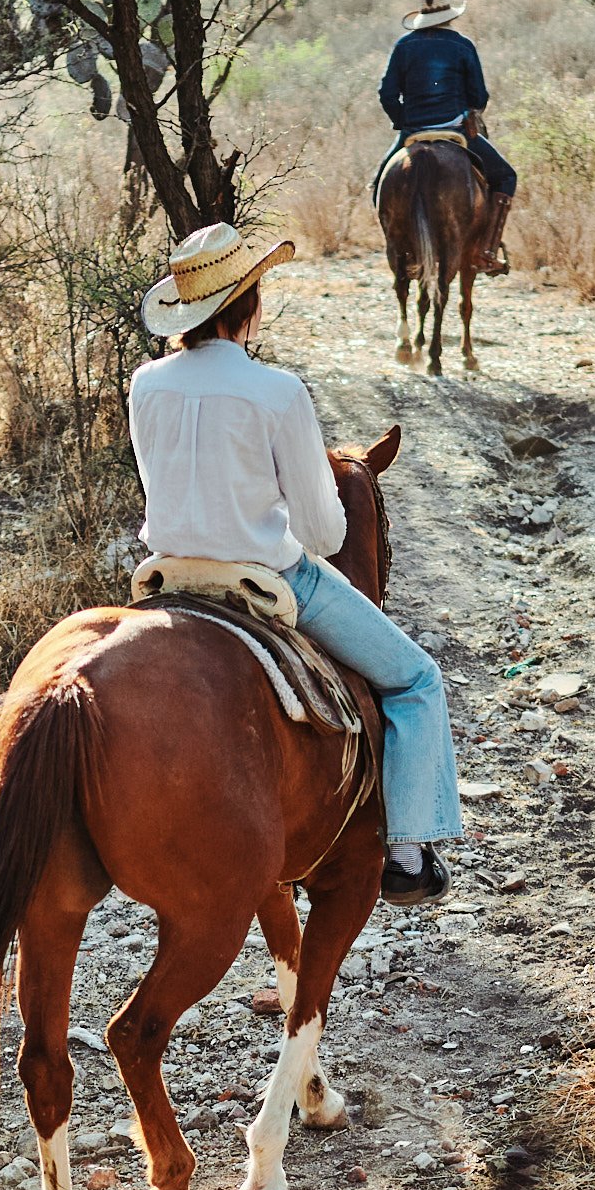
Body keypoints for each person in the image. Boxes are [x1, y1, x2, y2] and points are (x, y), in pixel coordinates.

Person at [130, 220, 461, 904]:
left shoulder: (146, 383)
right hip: (268, 576)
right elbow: (317, 526)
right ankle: (405, 852)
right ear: (247, 307)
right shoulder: (276, 390)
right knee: (417, 679)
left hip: (165, 577)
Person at [377, 0, 516, 271]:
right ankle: (486, 251)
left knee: (379, 183)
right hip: (455, 131)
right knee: (505, 177)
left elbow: (387, 94)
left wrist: (404, 121)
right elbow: (479, 96)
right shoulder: (463, 45)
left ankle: (398, 247)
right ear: (449, 16)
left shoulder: (404, 46)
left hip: (413, 132)